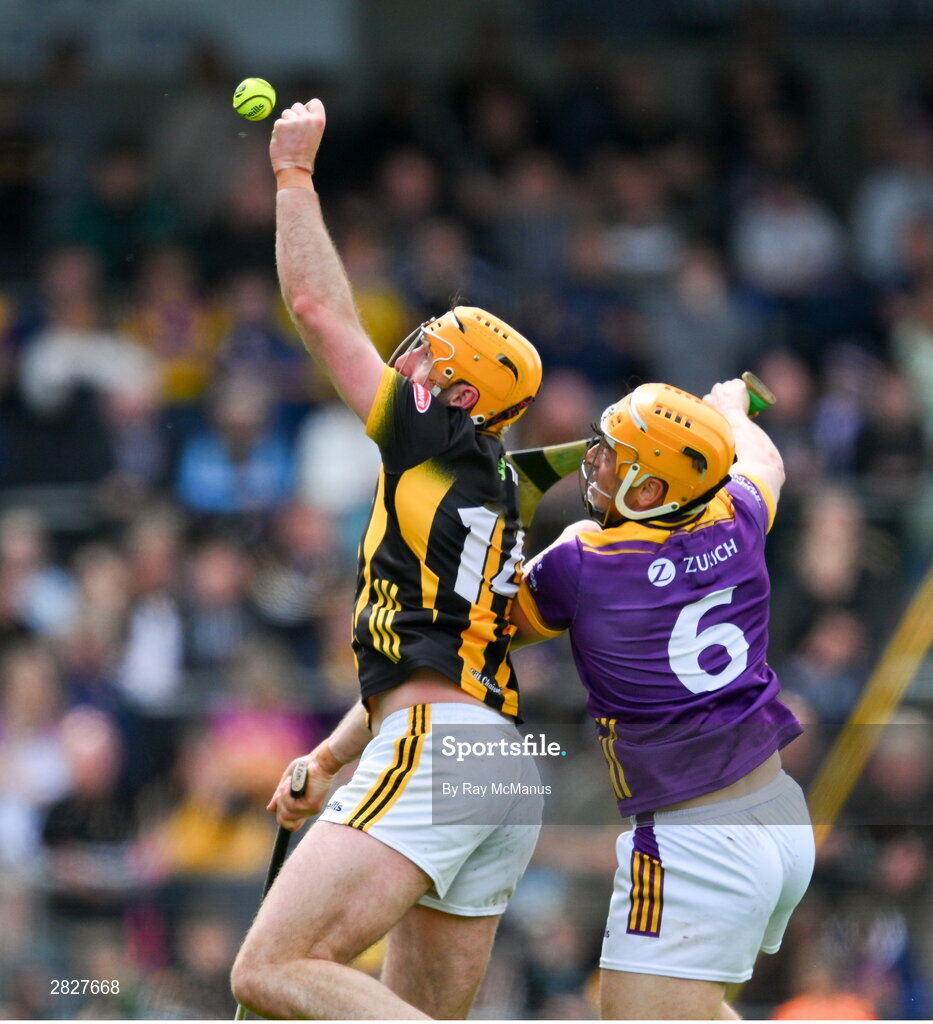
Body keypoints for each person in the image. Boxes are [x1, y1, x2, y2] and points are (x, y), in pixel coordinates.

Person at [230, 99, 544, 1020]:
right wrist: (331, 758)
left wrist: (293, 176)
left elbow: (319, 309)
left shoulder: (431, 442)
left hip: (439, 754)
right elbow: (430, 663)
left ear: (456, 391)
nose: (408, 354)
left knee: (267, 973)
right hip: (497, 765)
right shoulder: (492, 489)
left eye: (429, 352)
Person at [510, 378, 815, 1020]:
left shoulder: (584, 558)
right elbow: (768, 462)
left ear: (649, 491)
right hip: (781, 813)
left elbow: (495, 626)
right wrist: (732, 410)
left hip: (692, 841)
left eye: (615, 456)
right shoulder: (740, 512)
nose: (595, 461)